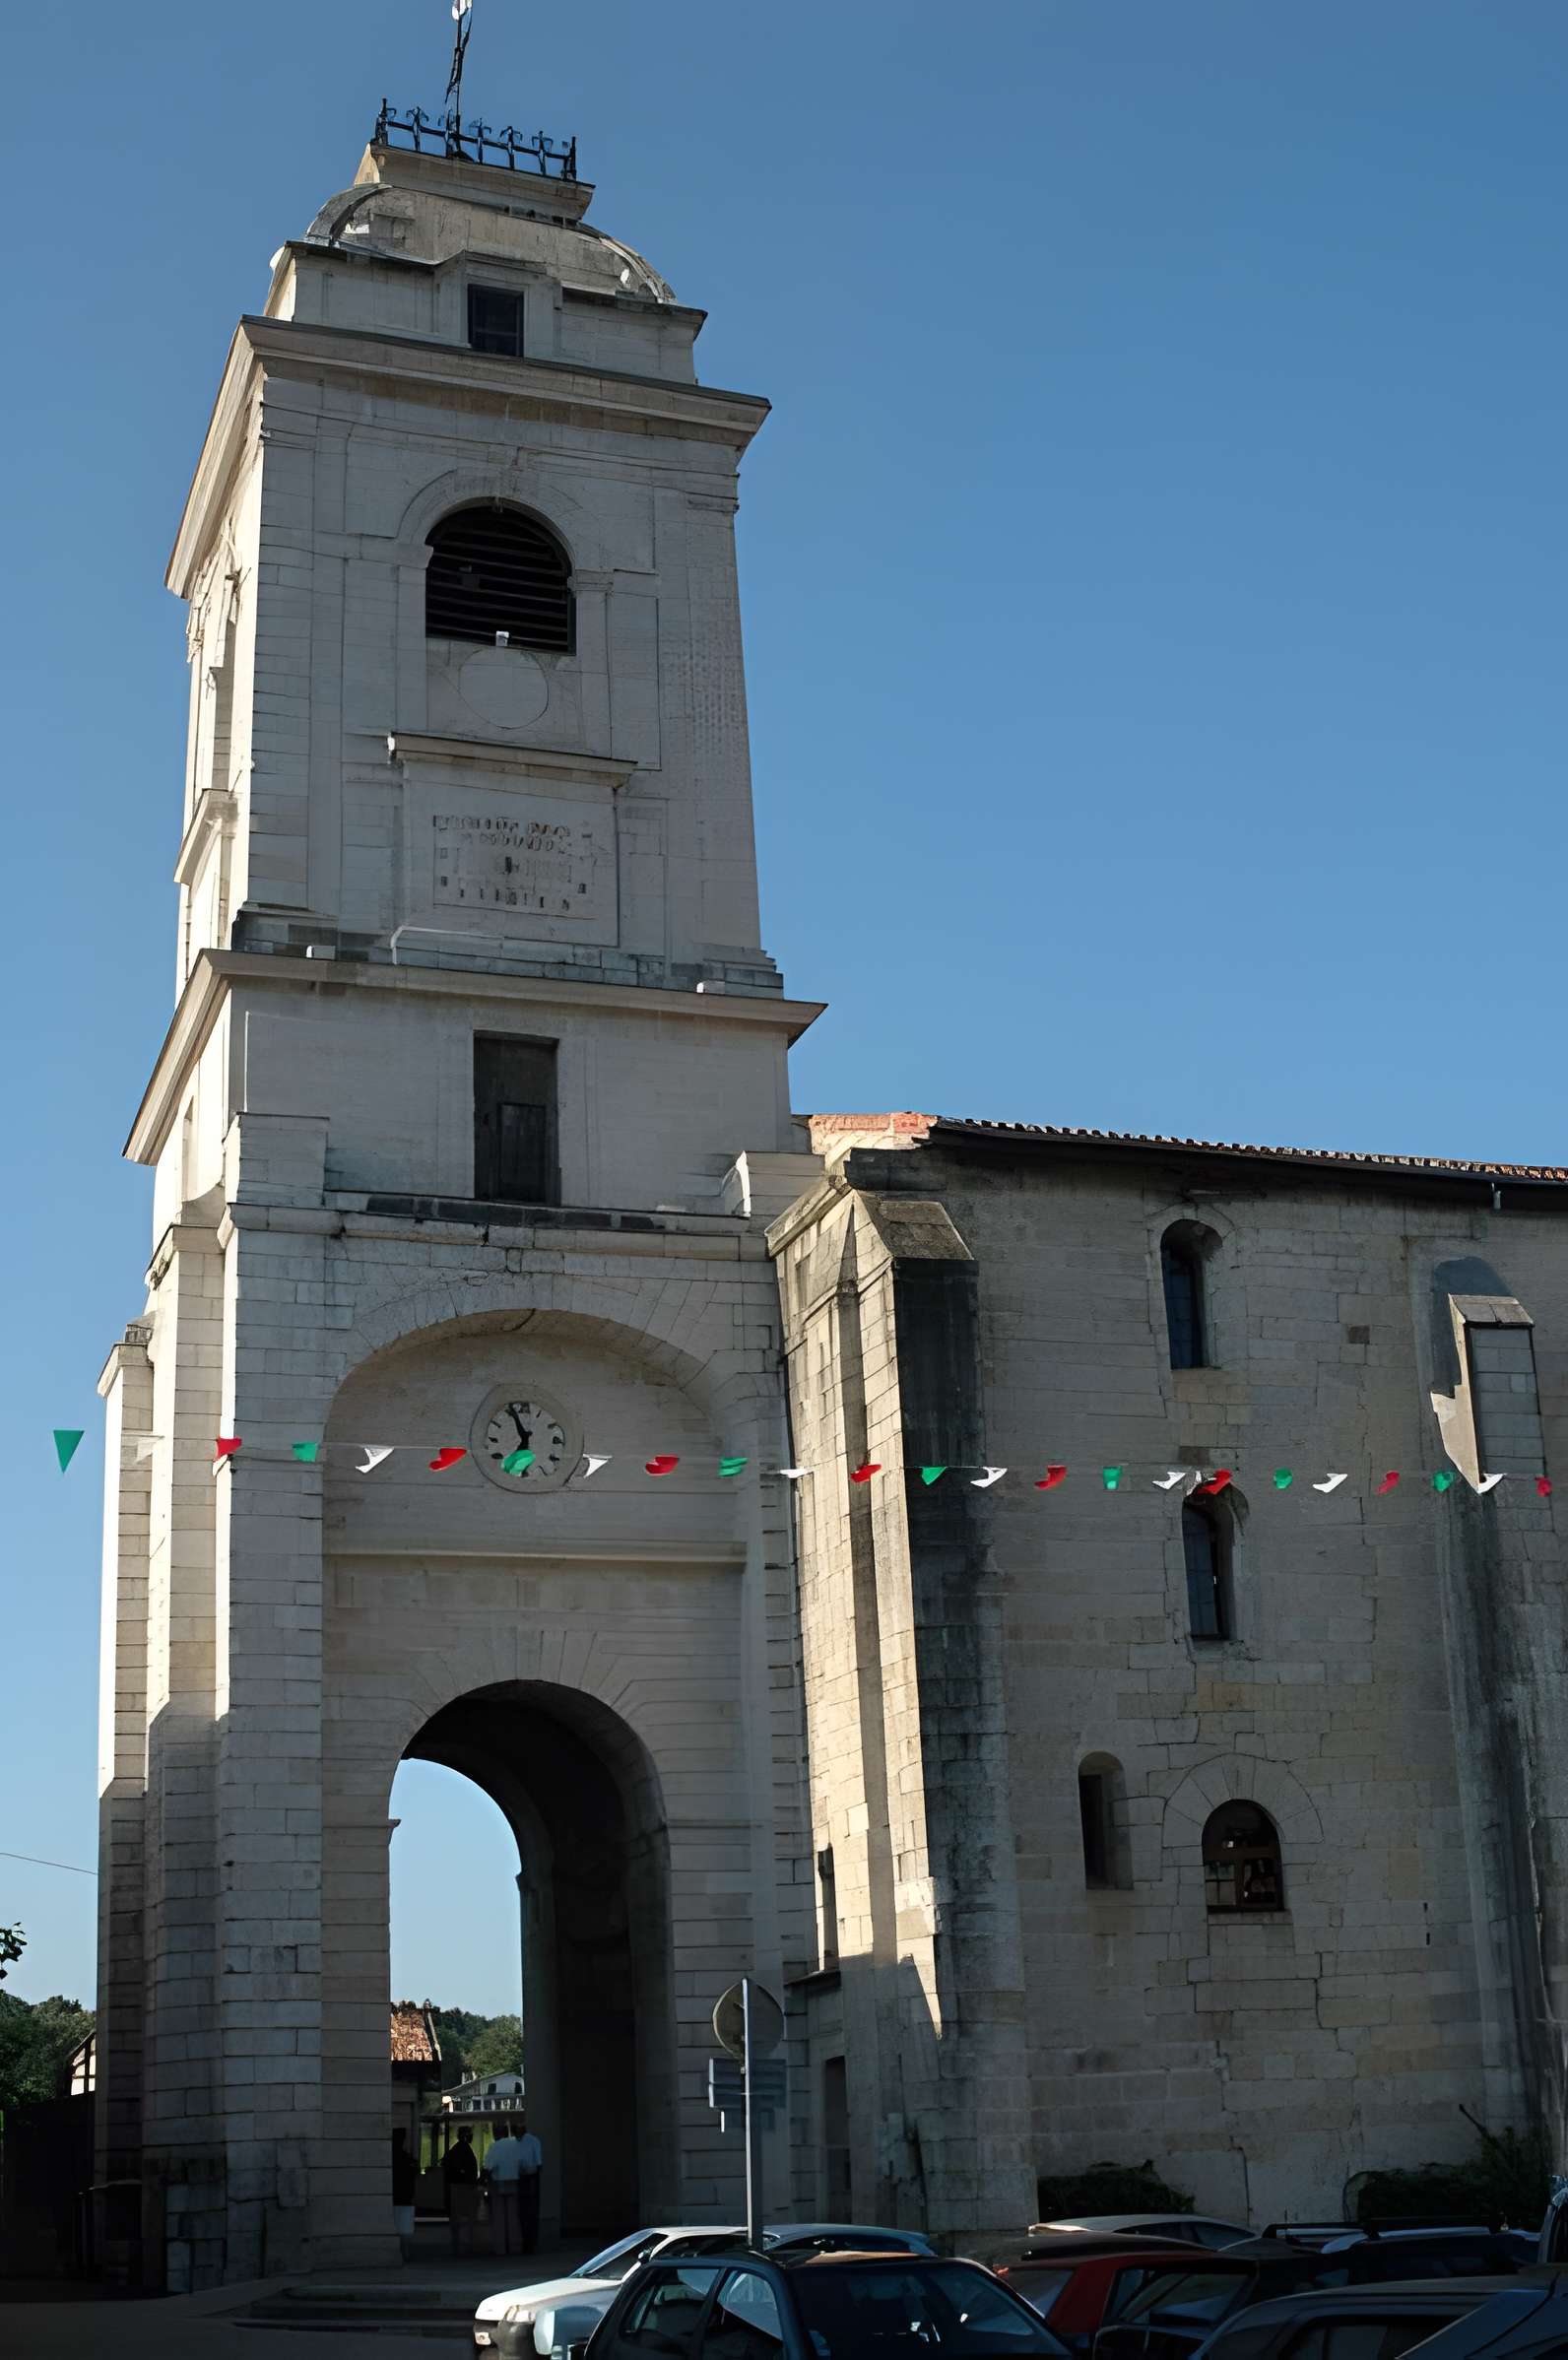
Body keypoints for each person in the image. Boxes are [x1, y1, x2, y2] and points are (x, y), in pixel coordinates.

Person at [483, 2114, 544, 2256]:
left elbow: (489, 2166)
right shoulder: (515, 2144)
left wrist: (484, 2180)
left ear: (496, 2132)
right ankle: (515, 2246)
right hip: (515, 2181)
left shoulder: (495, 2146)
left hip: (499, 2182)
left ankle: (501, 2248)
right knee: (513, 2216)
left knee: (499, 2216)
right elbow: (523, 2164)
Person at [442, 2124, 481, 2255]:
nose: (471, 2137)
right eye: (470, 2134)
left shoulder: (454, 2150)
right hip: (464, 2188)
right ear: (466, 2136)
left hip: (456, 2187)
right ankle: (466, 2245)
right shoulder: (465, 2150)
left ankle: (457, 2245)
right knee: (467, 2218)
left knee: (456, 2219)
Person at [391, 2127, 419, 2260]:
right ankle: (405, 2250)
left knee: (400, 2224)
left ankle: (403, 2250)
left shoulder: (395, 2156)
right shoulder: (404, 2157)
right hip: (404, 2195)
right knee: (404, 2226)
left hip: (398, 2194)